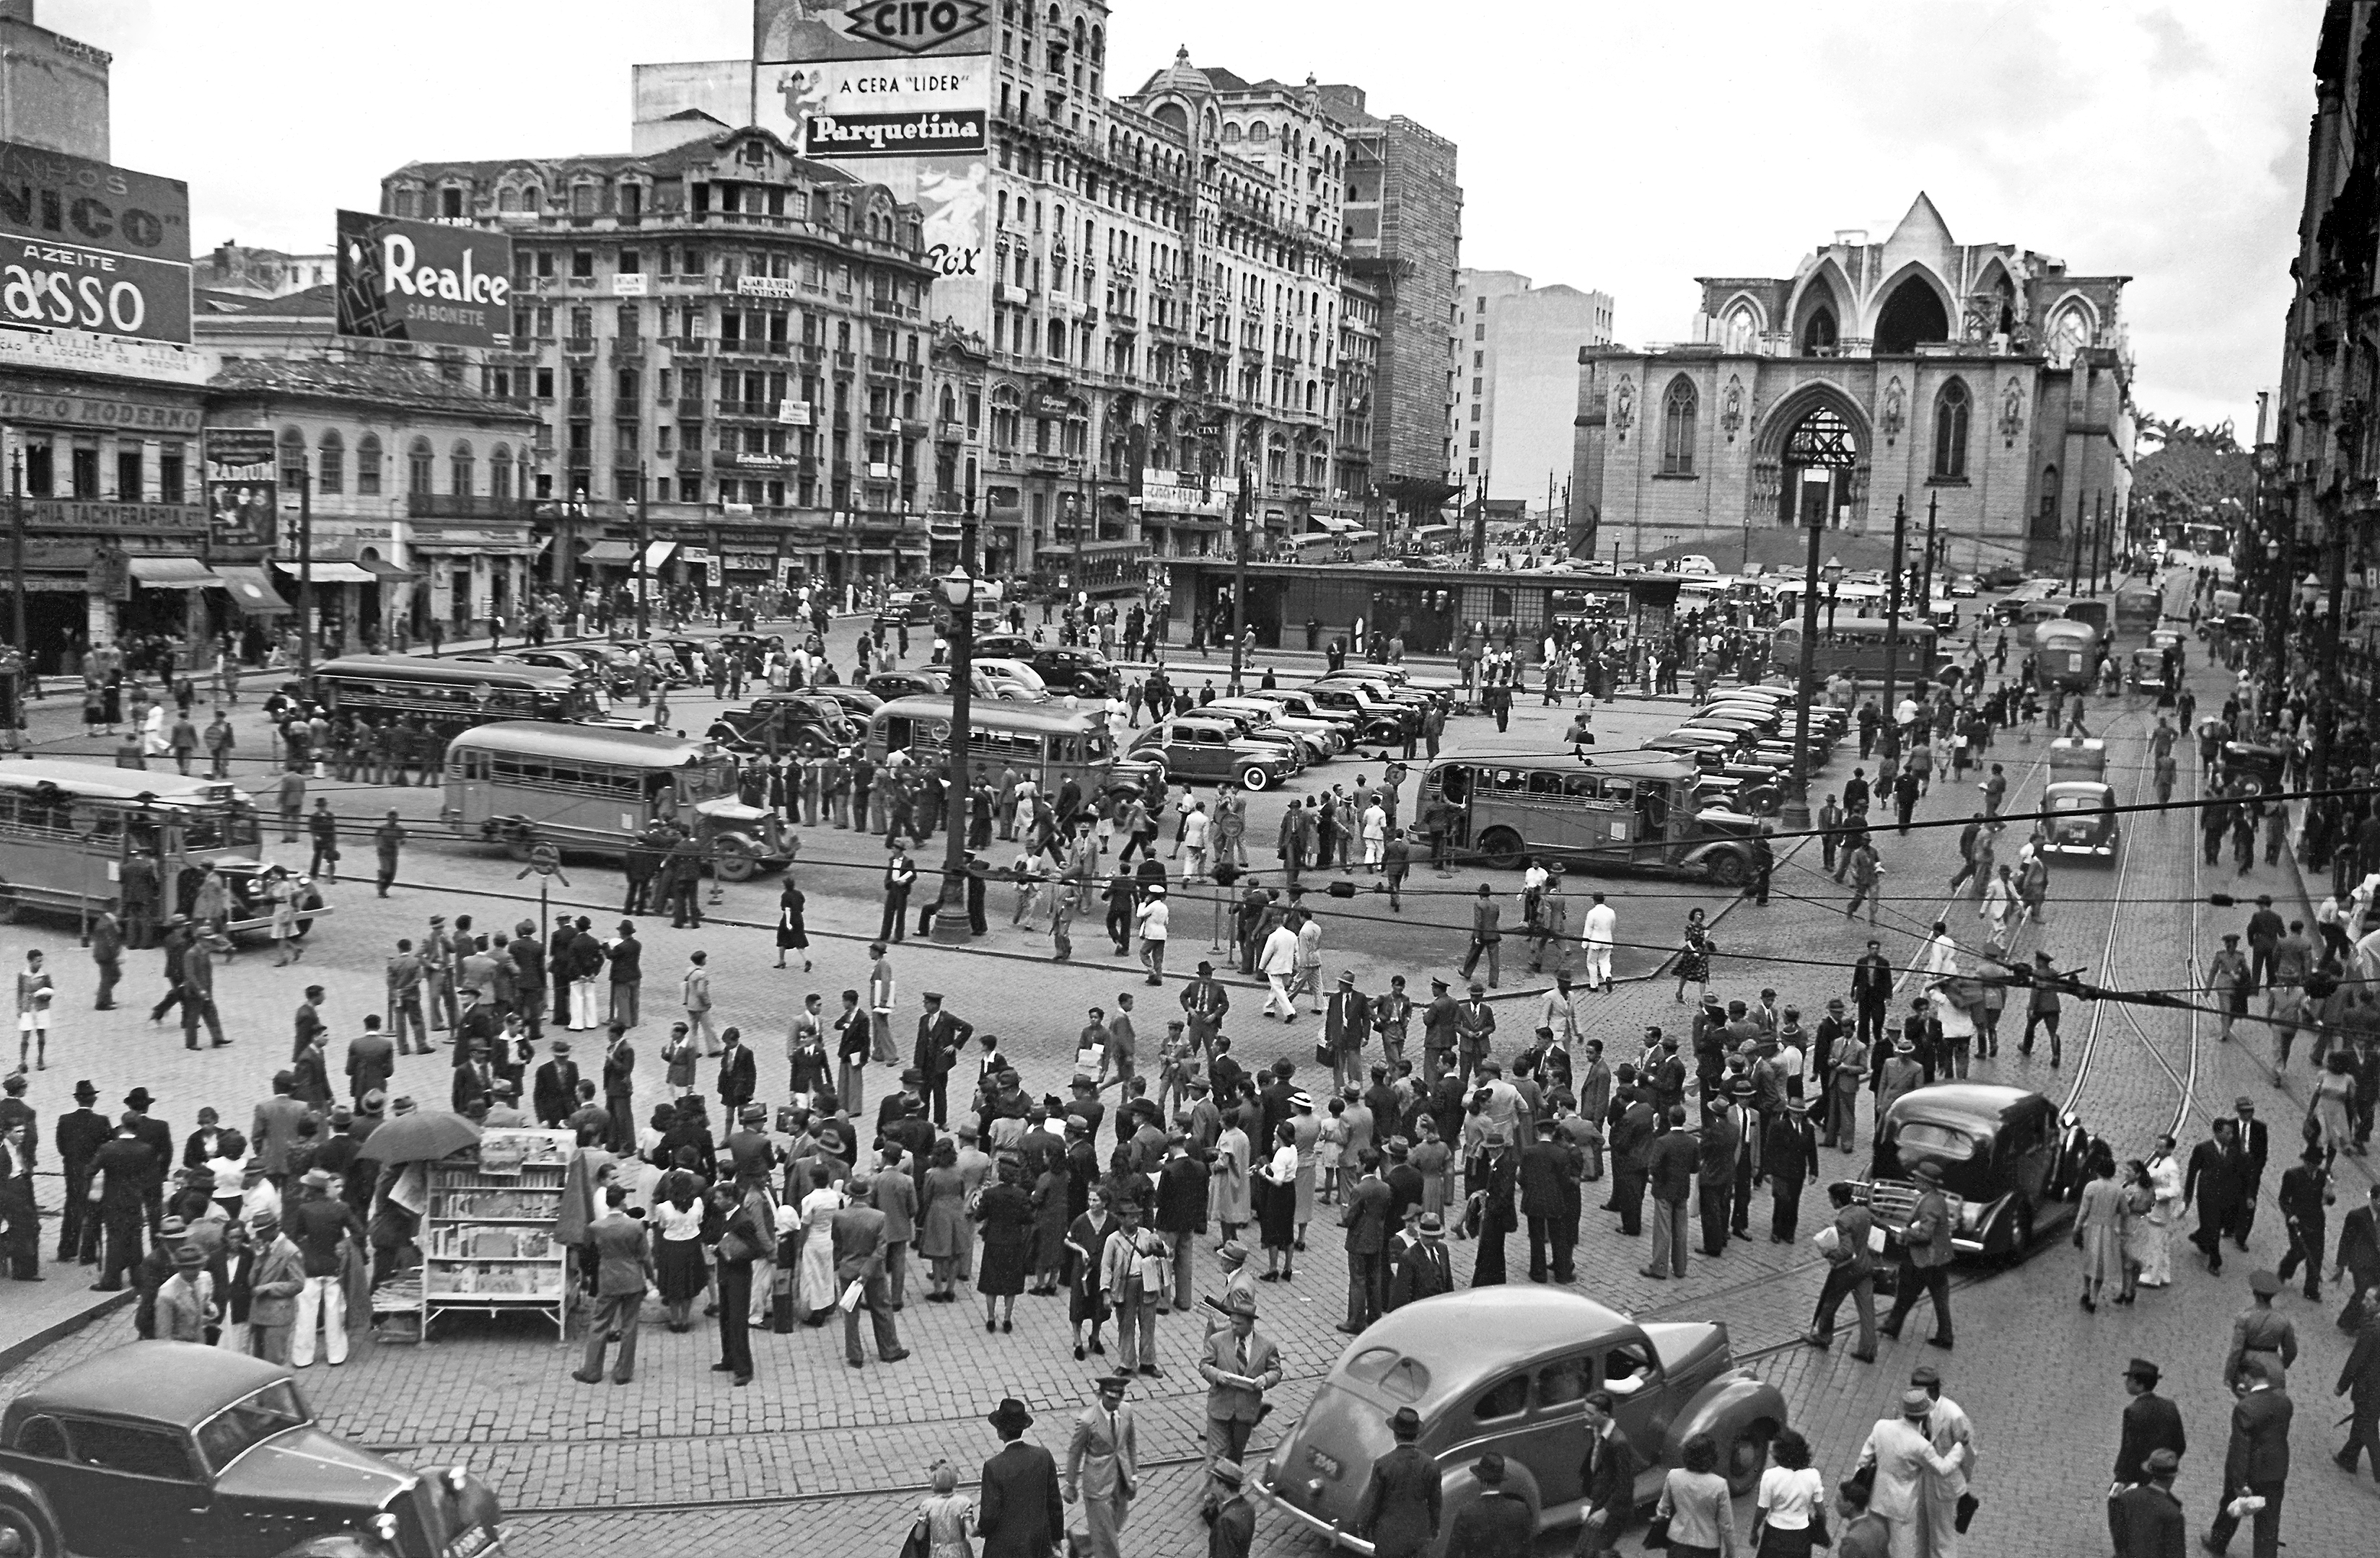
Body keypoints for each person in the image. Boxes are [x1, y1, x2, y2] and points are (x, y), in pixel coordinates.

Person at [1856, 1389, 1965, 1557]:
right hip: (1903, 1506)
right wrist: (1958, 1449)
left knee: (1877, 1548)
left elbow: (1864, 1460)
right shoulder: (1920, 1445)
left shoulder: (1881, 1426)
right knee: (1902, 1552)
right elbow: (1942, 1469)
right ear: (1924, 1416)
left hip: (1877, 1499)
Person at [2203, 1355, 2291, 1558]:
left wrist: (2239, 1481)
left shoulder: (2245, 1408)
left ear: (2248, 1378)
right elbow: (2266, 1419)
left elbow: (2241, 1447)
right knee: (2268, 1524)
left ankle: (2218, 1542)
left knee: (2230, 1505)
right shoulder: (2285, 1402)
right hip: (2275, 1470)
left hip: (2250, 1471)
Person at [572, 1185, 650, 1385]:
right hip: (632, 1279)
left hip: (608, 1279)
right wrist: (650, 1278)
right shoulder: (635, 1226)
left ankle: (592, 1370)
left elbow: (588, 1250)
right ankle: (623, 1372)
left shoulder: (596, 1227)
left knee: (599, 1323)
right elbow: (644, 1256)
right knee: (629, 1325)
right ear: (623, 1202)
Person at [833, 1171, 908, 1369]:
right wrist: (866, 1270)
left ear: (850, 1194)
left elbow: (837, 1244)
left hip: (848, 1269)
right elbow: (881, 1249)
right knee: (882, 1309)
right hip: (873, 1272)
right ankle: (889, 1349)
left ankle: (855, 1355)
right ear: (868, 1195)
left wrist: (840, 1263)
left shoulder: (840, 1216)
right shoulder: (879, 1217)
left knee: (850, 1313)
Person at [1879, 1159, 1954, 1349]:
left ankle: (1893, 1325)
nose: (1915, 1182)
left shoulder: (1930, 1204)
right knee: (1938, 1296)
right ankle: (1944, 1334)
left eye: (1918, 1180)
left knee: (1907, 1292)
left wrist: (1905, 1234)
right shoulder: (1935, 1199)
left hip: (1923, 1258)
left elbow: (1925, 1234)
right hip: (1936, 1258)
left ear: (1926, 1183)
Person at [1063, 1372, 1138, 1558]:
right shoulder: (1087, 1420)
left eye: (1119, 1397)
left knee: (1115, 1524)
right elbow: (1075, 1453)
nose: (1115, 1402)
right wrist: (1071, 1485)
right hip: (1097, 1486)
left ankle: (1081, 1546)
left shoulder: (1127, 1411)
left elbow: (1131, 1445)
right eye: (1111, 1398)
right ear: (1100, 1394)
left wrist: (1134, 1476)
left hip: (1121, 1480)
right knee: (1108, 1542)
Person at [978, 1396, 1063, 1558]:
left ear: (1000, 1432)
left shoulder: (993, 1467)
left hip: (1004, 1548)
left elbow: (989, 1514)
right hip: (1038, 1544)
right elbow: (1054, 1502)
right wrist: (1056, 1537)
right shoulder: (1043, 1456)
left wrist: (981, 1529)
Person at [1357, 1404, 1441, 1558]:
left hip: (1389, 1538)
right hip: (1419, 1535)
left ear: (1395, 1435)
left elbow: (1372, 1503)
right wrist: (1434, 1529)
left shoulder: (1383, 1464)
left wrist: (1363, 1528)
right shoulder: (1432, 1465)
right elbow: (1436, 1504)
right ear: (1416, 1435)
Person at [1806, 1181, 1878, 1360]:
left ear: (1838, 1200)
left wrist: (1829, 1253)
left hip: (1849, 1270)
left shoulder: (1843, 1221)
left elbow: (1846, 1250)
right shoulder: (1864, 1211)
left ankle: (1824, 1336)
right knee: (1867, 1310)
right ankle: (1868, 1350)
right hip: (1866, 1266)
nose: (1830, 1202)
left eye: (1831, 1199)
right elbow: (1879, 1227)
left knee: (1830, 1303)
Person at [1652, 1432, 1738, 1558]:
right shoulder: (1720, 1484)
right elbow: (1726, 1525)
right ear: (1712, 1457)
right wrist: (1731, 1553)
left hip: (1677, 1542)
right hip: (1708, 1547)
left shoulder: (1674, 1476)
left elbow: (1663, 1508)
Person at [1576, 1390, 1638, 1556]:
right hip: (1601, 1501)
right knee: (1585, 1552)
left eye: (1590, 1413)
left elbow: (1626, 1484)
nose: (1585, 1417)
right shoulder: (1597, 1431)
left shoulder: (1618, 1443)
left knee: (1593, 1552)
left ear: (1604, 1414)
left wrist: (1605, 1512)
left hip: (1613, 1508)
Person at [1752, 1427, 1826, 1558]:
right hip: (1801, 1536)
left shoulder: (1770, 1476)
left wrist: (1754, 1530)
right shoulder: (1813, 1475)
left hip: (1774, 1534)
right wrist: (1820, 1529)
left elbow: (1762, 1509)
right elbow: (1820, 1511)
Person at [1446, 1452, 1533, 1557]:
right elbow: (1527, 1550)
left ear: (1481, 1480)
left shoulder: (1467, 1513)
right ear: (1501, 1481)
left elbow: (1453, 1553)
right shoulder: (1520, 1509)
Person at [2109, 1448, 2187, 1558]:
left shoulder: (2127, 1496)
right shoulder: (2173, 1513)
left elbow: (2118, 1535)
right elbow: (2176, 1553)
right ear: (2173, 1477)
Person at [2337, 1285, 2380, 1479]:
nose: (2364, 1303)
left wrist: (2342, 1385)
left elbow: (2357, 1359)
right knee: (2364, 1421)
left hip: (2369, 1387)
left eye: (2369, 1300)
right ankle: (2348, 1456)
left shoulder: (2373, 1328)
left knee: (2368, 1428)